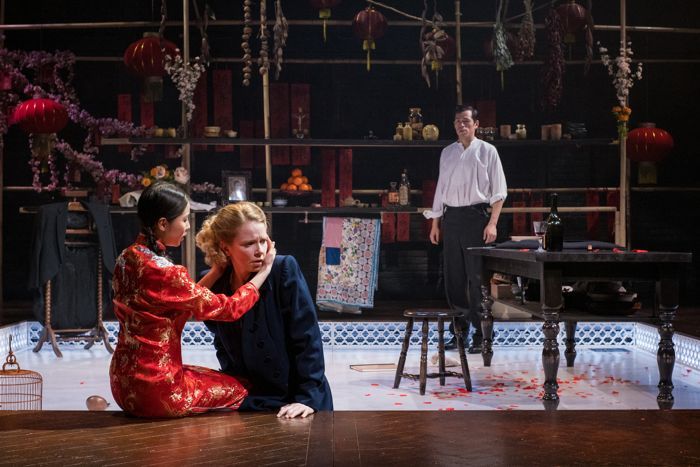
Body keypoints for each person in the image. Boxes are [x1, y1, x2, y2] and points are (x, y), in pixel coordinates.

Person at [110, 181, 276, 418]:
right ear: (163, 224)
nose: (188, 226)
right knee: (242, 387)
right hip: (158, 391)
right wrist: (264, 271)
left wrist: (217, 271)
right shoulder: (166, 272)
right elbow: (229, 308)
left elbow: (185, 301)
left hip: (123, 383)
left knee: (213, 377)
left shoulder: (126, 258)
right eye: (185, 219)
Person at [196, 202, 333, 418]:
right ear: (226, 247)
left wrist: (307, 398)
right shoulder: (217, 282)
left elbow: (307, 338)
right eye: (249, 243)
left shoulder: (282, 269)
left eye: (263, 241)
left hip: (294, 395)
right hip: (248, 397)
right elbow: (219, 337)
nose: (260, 251)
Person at [424, 104, 508, 353]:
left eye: (466, 121)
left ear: (476, 125)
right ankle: (459, 332)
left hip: (476, 217)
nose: (461, 125)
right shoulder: (447, 152)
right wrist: (435, 223)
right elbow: (441, 189)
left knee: (477, 278)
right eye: (457, 121)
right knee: (454, 278)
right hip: (451, 218)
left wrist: (492, 223)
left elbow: (499, 191)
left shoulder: (488, 151)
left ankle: (482, 334)